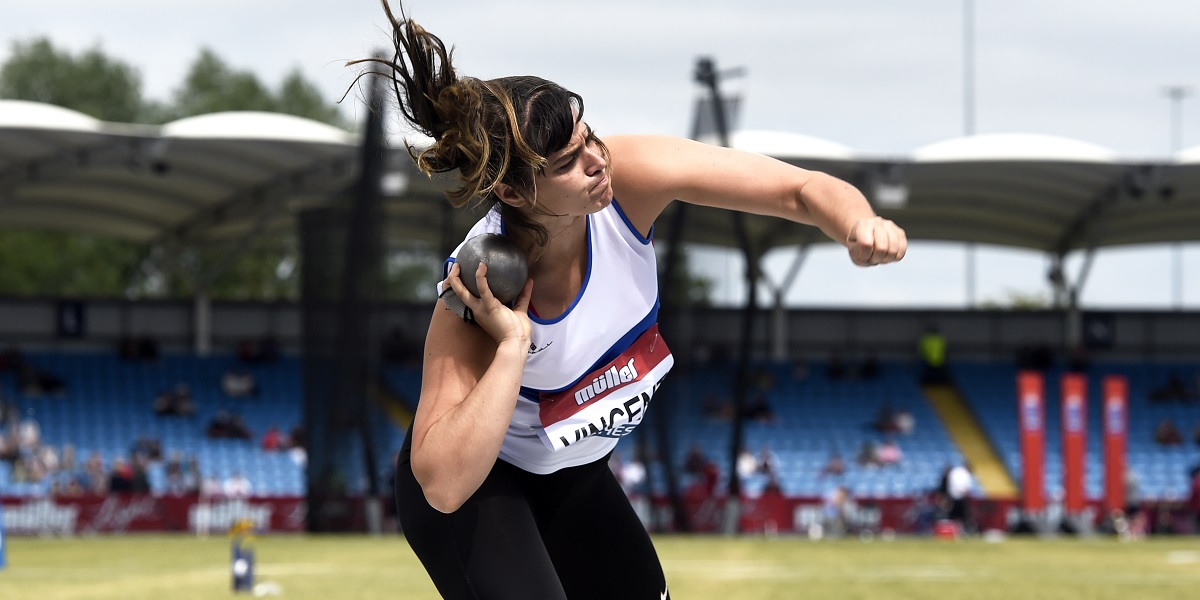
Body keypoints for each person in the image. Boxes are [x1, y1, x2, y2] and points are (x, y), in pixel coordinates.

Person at [365, 2, 908, 598]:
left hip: (571, 477)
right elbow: (442, 482)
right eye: (570, 162)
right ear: (514, 190)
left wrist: (856, 224)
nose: (598, 161)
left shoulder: (629, 181)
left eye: (589, 134)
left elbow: (797, 189)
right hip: (480, 492)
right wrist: (515, 344)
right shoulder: (479, 287)